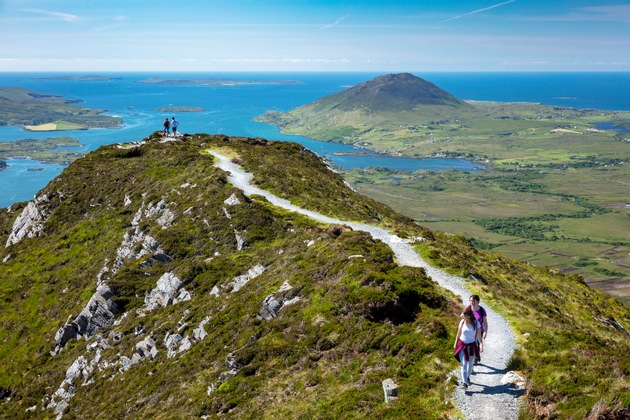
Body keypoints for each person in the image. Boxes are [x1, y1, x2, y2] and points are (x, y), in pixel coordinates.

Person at [454, 307, 481, 388]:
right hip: (462, 345)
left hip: (472, 345)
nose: (463, 317)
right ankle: (464, 383)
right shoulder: (462, 322)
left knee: (470, 363)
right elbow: (458, 334)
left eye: (465, 315)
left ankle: (468, 378)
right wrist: (455, 343)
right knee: (464, 364)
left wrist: (481, 345)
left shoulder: (476, 323)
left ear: (469, 316)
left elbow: (479, 336)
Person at [466, 295, 488, 360]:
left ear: (478, 301)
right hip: (469, 331)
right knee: (469, 346)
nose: (472, 302)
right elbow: (463, 317)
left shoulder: (481, 310)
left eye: (473, 301)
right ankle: (471, 359)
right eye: (470, 300)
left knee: (477, 345)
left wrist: (485, 332)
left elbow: (485, 323)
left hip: (478, 331)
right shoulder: (468, 308)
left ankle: (475, 356)